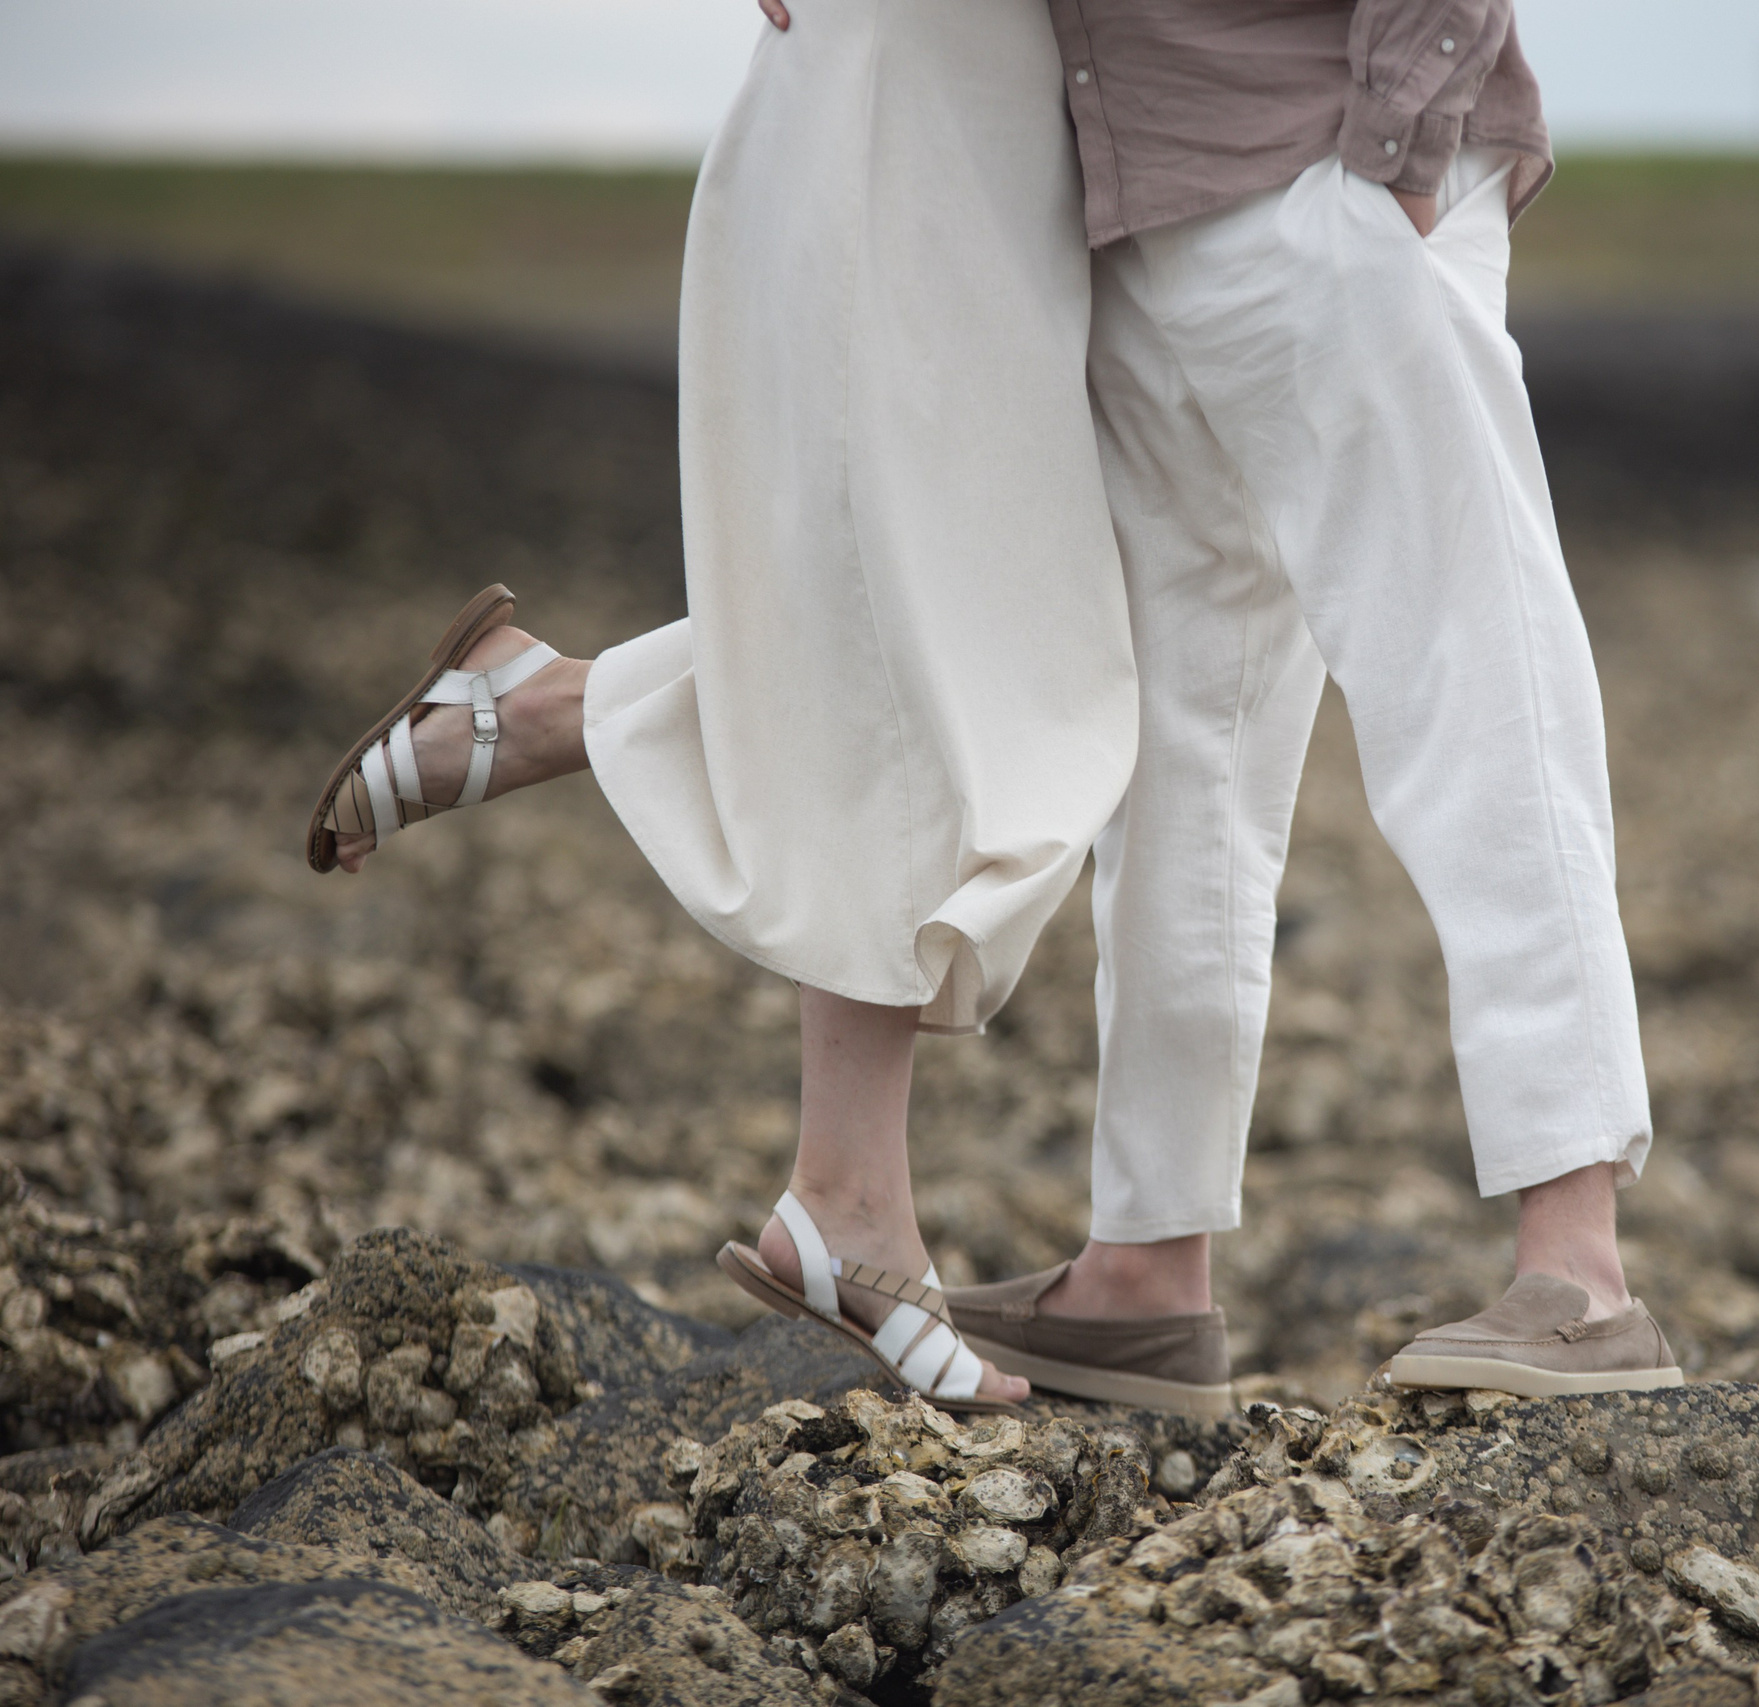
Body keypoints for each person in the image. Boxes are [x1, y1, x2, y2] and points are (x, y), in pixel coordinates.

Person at [306, 0, 1142, 1410]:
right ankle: (850, 1200)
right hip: (910, 91)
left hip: (1006, 107)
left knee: (975, 618)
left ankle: (551, 710)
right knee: (928, 627)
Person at [938, 0, 1682, 1408]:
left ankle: (1581, 1267)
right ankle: (1146, 1266)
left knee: (1472, 676)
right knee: (1174, 760)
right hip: (1137, 211)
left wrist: (1395, 148)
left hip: (1324, 165)